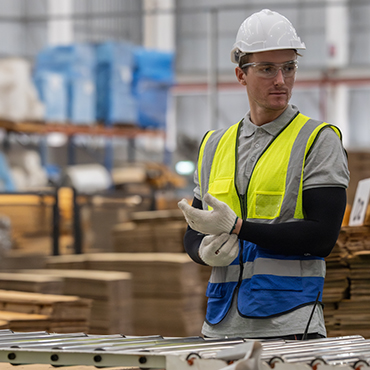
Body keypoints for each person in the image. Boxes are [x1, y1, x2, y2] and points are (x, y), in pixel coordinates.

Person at [178, 8, 350, 340]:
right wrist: (201, 250)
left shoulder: (316, 141)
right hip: (220, 325)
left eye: (289, 67)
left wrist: (238, 228)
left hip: (290, 324)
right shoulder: (215, 145)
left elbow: (322, 237)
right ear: (241, 74)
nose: (281, 80)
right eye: (267, 69)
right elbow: (194, 230)